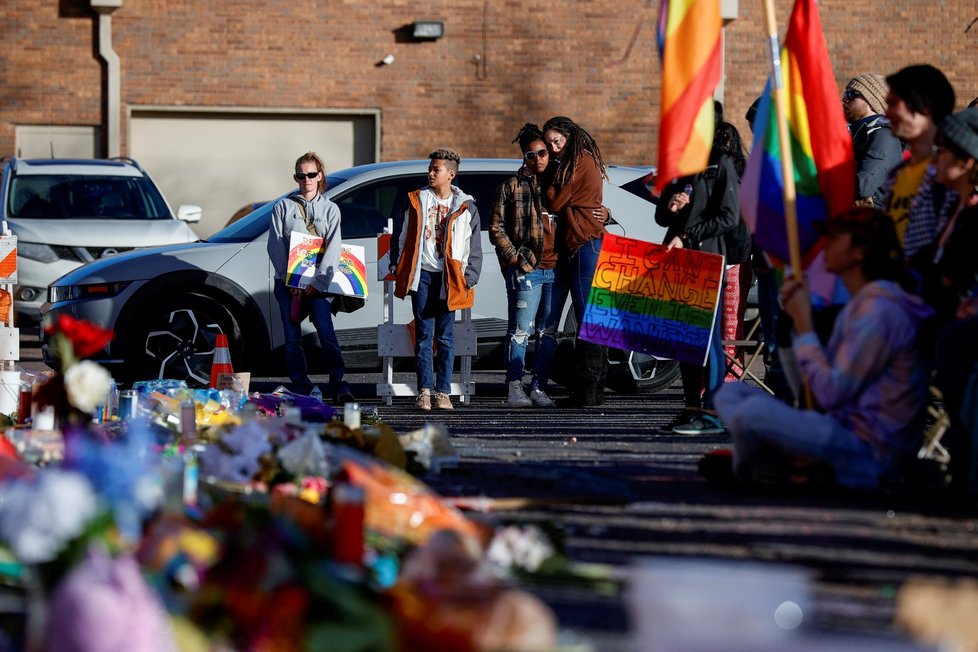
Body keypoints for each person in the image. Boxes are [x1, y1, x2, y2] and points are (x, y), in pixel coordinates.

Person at [712, 208, 933, 491]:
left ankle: (753, 470)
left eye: (835, 237)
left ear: (859, 252)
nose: (824, 244)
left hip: (870, 448)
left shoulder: (879, 312)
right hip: (842, 428)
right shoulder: (861, 303)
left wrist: (804, 326)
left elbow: (830, 393)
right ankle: (784, 469)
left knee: (752, 412)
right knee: (731, 394)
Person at [655, 110, 742, 435]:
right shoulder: (679, 163)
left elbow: (729, 216)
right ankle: (691, 406)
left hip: (707, 260)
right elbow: (661, 217)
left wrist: (690, 235)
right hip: (678, 262)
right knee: (683, 339)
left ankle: (712, 411)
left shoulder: (721, 164)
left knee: (707, 340)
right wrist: (672, 207)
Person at [908, 107, 978, 495]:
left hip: (957, 315)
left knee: (946, 339)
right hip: (938, 309)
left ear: (968, 160)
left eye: (944, 152)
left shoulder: (973, 213)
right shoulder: (952, 206)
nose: (936, 160)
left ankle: (956, 462)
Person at [389, 148, 483, 411]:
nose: (430, 173)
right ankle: (424, 391)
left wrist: (470, 276)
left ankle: (443, 392)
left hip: (450, 277)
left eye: (436, 169)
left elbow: (473, 244)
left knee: (445, 337)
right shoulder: (418, 200)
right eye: (430, 168)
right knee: (423, 335)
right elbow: (402, 234)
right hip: (423, 275)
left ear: (451, 175)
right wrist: (398, 264)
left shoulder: (465, 206)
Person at [267, 151, 354, 404]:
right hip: (288, 285)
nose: (306, 179)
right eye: (301, 175)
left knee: (326, 334)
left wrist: (318, 284)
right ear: (295, 177)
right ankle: (302, 386)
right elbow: (275, 245)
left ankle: (338, 385)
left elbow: (334, 248)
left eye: (311, 174)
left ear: (320, 176)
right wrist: (289, 280)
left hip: (318, 285)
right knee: (292, 338)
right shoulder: (282, 207)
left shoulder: (331, 210)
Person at [539, 116, 609, 407]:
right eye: (550, 143)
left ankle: (588, 393)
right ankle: (591, 391)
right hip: (576, 244)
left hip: (585, 244)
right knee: (589, 319)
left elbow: (555, 201)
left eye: (558, 141)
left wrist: (549, 175)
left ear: (570, 135)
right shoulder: (574, 159)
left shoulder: (578, 159)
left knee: (588, 319)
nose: (554, 148)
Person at [488, 124, 558, 408]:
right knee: (520, 330)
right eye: (531, 154)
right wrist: (514, 257)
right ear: (524, 157)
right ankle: (514, 386)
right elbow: (496, 226)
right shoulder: (511, 186)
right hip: (527, 269)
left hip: (557, 268)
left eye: (542, 152)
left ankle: (538, 387)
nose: (538, 158)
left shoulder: (559, 183)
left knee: (548, 332)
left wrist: (606, 213)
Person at [881, 64, 958, 259]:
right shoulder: (895, 175)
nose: (887, 112)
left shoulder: (953, 175)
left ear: (924, 107)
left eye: (894, 103)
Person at [843, 74, 905, 209]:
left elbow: (863, 186)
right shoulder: (855, 132)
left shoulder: (885, 136)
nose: (844, 100)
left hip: (870, 222)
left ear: (872, 100)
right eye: (845, 94)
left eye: (851, 94)